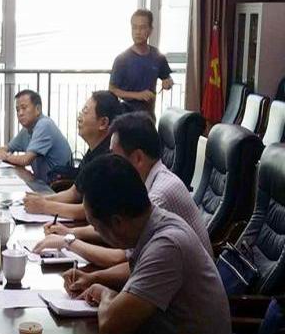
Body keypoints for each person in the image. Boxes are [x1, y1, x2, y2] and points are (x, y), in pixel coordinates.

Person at [73, 155, 232, 334]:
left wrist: (107, 294)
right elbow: (136, 268)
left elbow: (111, 328)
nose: (97, 233)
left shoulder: (167, 245)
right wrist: (94, 278)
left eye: (96, 227)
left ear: (117, 222)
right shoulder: (153, 222)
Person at [37, 112, 212, 277]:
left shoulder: (159, 195)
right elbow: (115, 230)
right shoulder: (150, 181)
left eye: (114, 154)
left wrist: (69, 242)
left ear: (138, 158)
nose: (111, 160)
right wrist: (71, 232)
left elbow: (122, 258)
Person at [20, 91, 123, 220]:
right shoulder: (93, 152)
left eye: (85, 112)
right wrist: (42, 199)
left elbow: (89, 211)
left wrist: (44, 206)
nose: (79, 118)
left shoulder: (109, 159)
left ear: (103, 123)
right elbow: (74, 193)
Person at [0, 89, 71, 183]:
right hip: (42, 182)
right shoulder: (27, 129)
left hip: (57, 186)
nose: (20, 113)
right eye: (17, 110)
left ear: (38, 109)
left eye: (24, 108)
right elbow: (8, 148)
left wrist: (5, 157)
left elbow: (25, 160)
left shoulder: (44, 125)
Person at [109, 9, 173, 114]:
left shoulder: (157, 56)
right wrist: (138, 95)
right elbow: (112, 89)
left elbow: (167, 78)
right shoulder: (122, 59)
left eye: (142, 27)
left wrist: (168, 82)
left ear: (150, 30)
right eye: (134, 27)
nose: (138, 32)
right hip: (125, 116)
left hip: (148, 115)